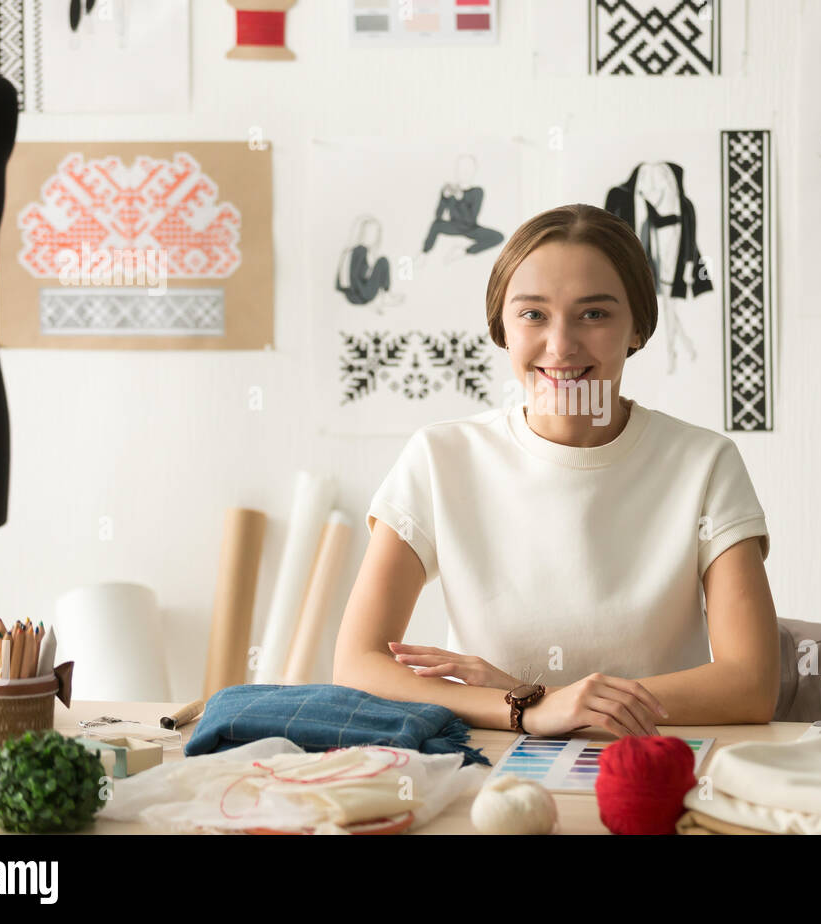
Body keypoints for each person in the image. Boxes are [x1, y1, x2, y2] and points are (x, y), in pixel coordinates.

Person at [333, 204, 779, 738]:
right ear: (501, 326)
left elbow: (751, 684)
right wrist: (525, 708)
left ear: (637, 326)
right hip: (489, 767)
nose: (562, 345)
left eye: (594, 314)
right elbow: (356, 666)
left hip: (653, 768)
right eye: (533, 314)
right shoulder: (439, 457)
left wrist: (550, 699)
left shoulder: (705, 463)